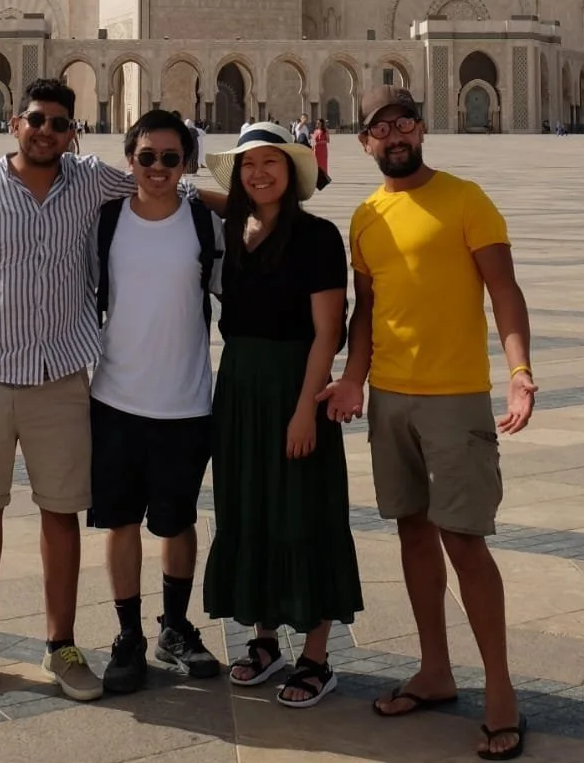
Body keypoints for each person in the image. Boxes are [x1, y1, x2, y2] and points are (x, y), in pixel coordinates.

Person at [321, 88, 536, 760]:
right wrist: (353, 378)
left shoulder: (465, 199)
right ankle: (435, 669)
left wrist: (520, 372)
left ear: (421, 129)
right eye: (379, 128)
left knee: (463, 540)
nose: (393, 135)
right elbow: (365, 310)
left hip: (454, 398)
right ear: (364, 143)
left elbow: (503, 290)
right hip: (389, 398)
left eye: (403, 122)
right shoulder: (364, 216)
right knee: (413, 534)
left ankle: (499, 691)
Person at [0, 80, 149, 707]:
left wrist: (253, 200)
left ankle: (63, 646)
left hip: (61, 378)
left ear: (72, 131)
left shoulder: (88, 180)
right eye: (36, 120)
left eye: (58, 123)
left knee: (60, 511)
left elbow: (159, 184)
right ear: (14, 124)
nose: (46, 130)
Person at [203, 122, 361, 707]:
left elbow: (328, 333)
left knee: (306, 508)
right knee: (249, 504)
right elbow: (194, 195)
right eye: (248, 164)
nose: (260, 173)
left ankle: (317, 656)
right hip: (240, 385)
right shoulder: (233, 229)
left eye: (271, 162)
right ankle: (264, 640)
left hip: (296, 384)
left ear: (293, 172)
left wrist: (304, 412)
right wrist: (164, 177)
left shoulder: (317, 236)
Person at [92, 110, 222, 694]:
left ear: (186, 163)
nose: (159, 168)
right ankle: (128, 635)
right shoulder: (107, 219)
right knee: (119, 523)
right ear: (130, 160)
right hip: (115, 398)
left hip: (186, 401)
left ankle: (174, 626)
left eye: (171, 158)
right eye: (147, 157)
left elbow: (254, 258)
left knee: (177, 523)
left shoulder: (202, 221)